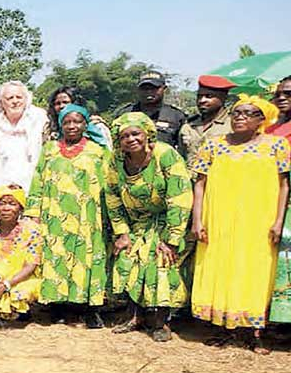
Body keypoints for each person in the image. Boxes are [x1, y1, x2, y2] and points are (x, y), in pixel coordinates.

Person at [191, 94, 288, 354]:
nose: (240, 118)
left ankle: (253, 333)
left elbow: (284, 185)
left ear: (262, 120)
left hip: (259, 221)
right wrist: (197, 219)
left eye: (247, 113)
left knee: (254, 271)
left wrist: (279, 220)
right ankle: (222, 328)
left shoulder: (277, 145)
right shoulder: (213, 145)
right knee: (220, 267)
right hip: (219, 219)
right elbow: (199, 183)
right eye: (236, 113)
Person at [107, 113, 194, 342]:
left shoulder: (165, 155)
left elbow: (180, 196)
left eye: (135, 133)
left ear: (147, 133)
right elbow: (113, 196)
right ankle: (134, 317)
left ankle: (161, 322)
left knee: (160, 262)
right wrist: (122, 232)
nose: (130, 139)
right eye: (124, 136)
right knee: (128, 259)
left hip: (168, 221)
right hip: (137, 223)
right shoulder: (116, 160)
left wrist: (172, 238)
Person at [25, 104, 110, 329]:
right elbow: (38, 180)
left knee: (87, 258)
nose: (72, 126)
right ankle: (58, 306)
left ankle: (88, 309)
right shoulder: (50, 149)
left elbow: (108, 185)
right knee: (56, 258)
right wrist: (33, 212)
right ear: (61, 124)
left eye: (77, 122)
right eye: (67, 122)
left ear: (85, 124)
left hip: (88, 216)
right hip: (54, 215)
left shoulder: (97, 150)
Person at [0, 185, 44, 325]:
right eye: (2, 203)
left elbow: (31, 265)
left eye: (12, 204)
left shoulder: (32, 229)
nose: (6, 208)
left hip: (21, 277)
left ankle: (16, 309)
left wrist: (6, 285)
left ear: (21, 207)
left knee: (20, 294)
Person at [0, 81, 48, 201]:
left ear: (26, 99)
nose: (15, 101)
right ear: (1, 102)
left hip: (33, 182)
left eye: (19, 97)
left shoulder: (40, 117)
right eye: (10, 98)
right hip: (0, 185)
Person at [114, 71, 188, 156]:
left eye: (154, 88)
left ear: (164, 89)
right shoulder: (125, 114)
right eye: (144, 88)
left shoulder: (176, 116)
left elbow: (184, 148)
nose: (149, 91)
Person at [267, 76, 291, 325]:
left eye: (288, 93)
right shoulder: (270, 129)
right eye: (278, 94)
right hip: (275, 201)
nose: (282, 98)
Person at [180, 75, 235, 172]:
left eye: (209, 96)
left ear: (223, 98)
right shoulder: (188, 126)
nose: (202, 101)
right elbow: (181, 157)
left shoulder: (233, 125)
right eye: (199, 96)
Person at [42, 86, 112, 149]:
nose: (61, 106)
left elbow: (107, 152)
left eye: (65, 102)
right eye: (57, 103)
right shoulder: (51, 130)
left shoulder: (96, 126)